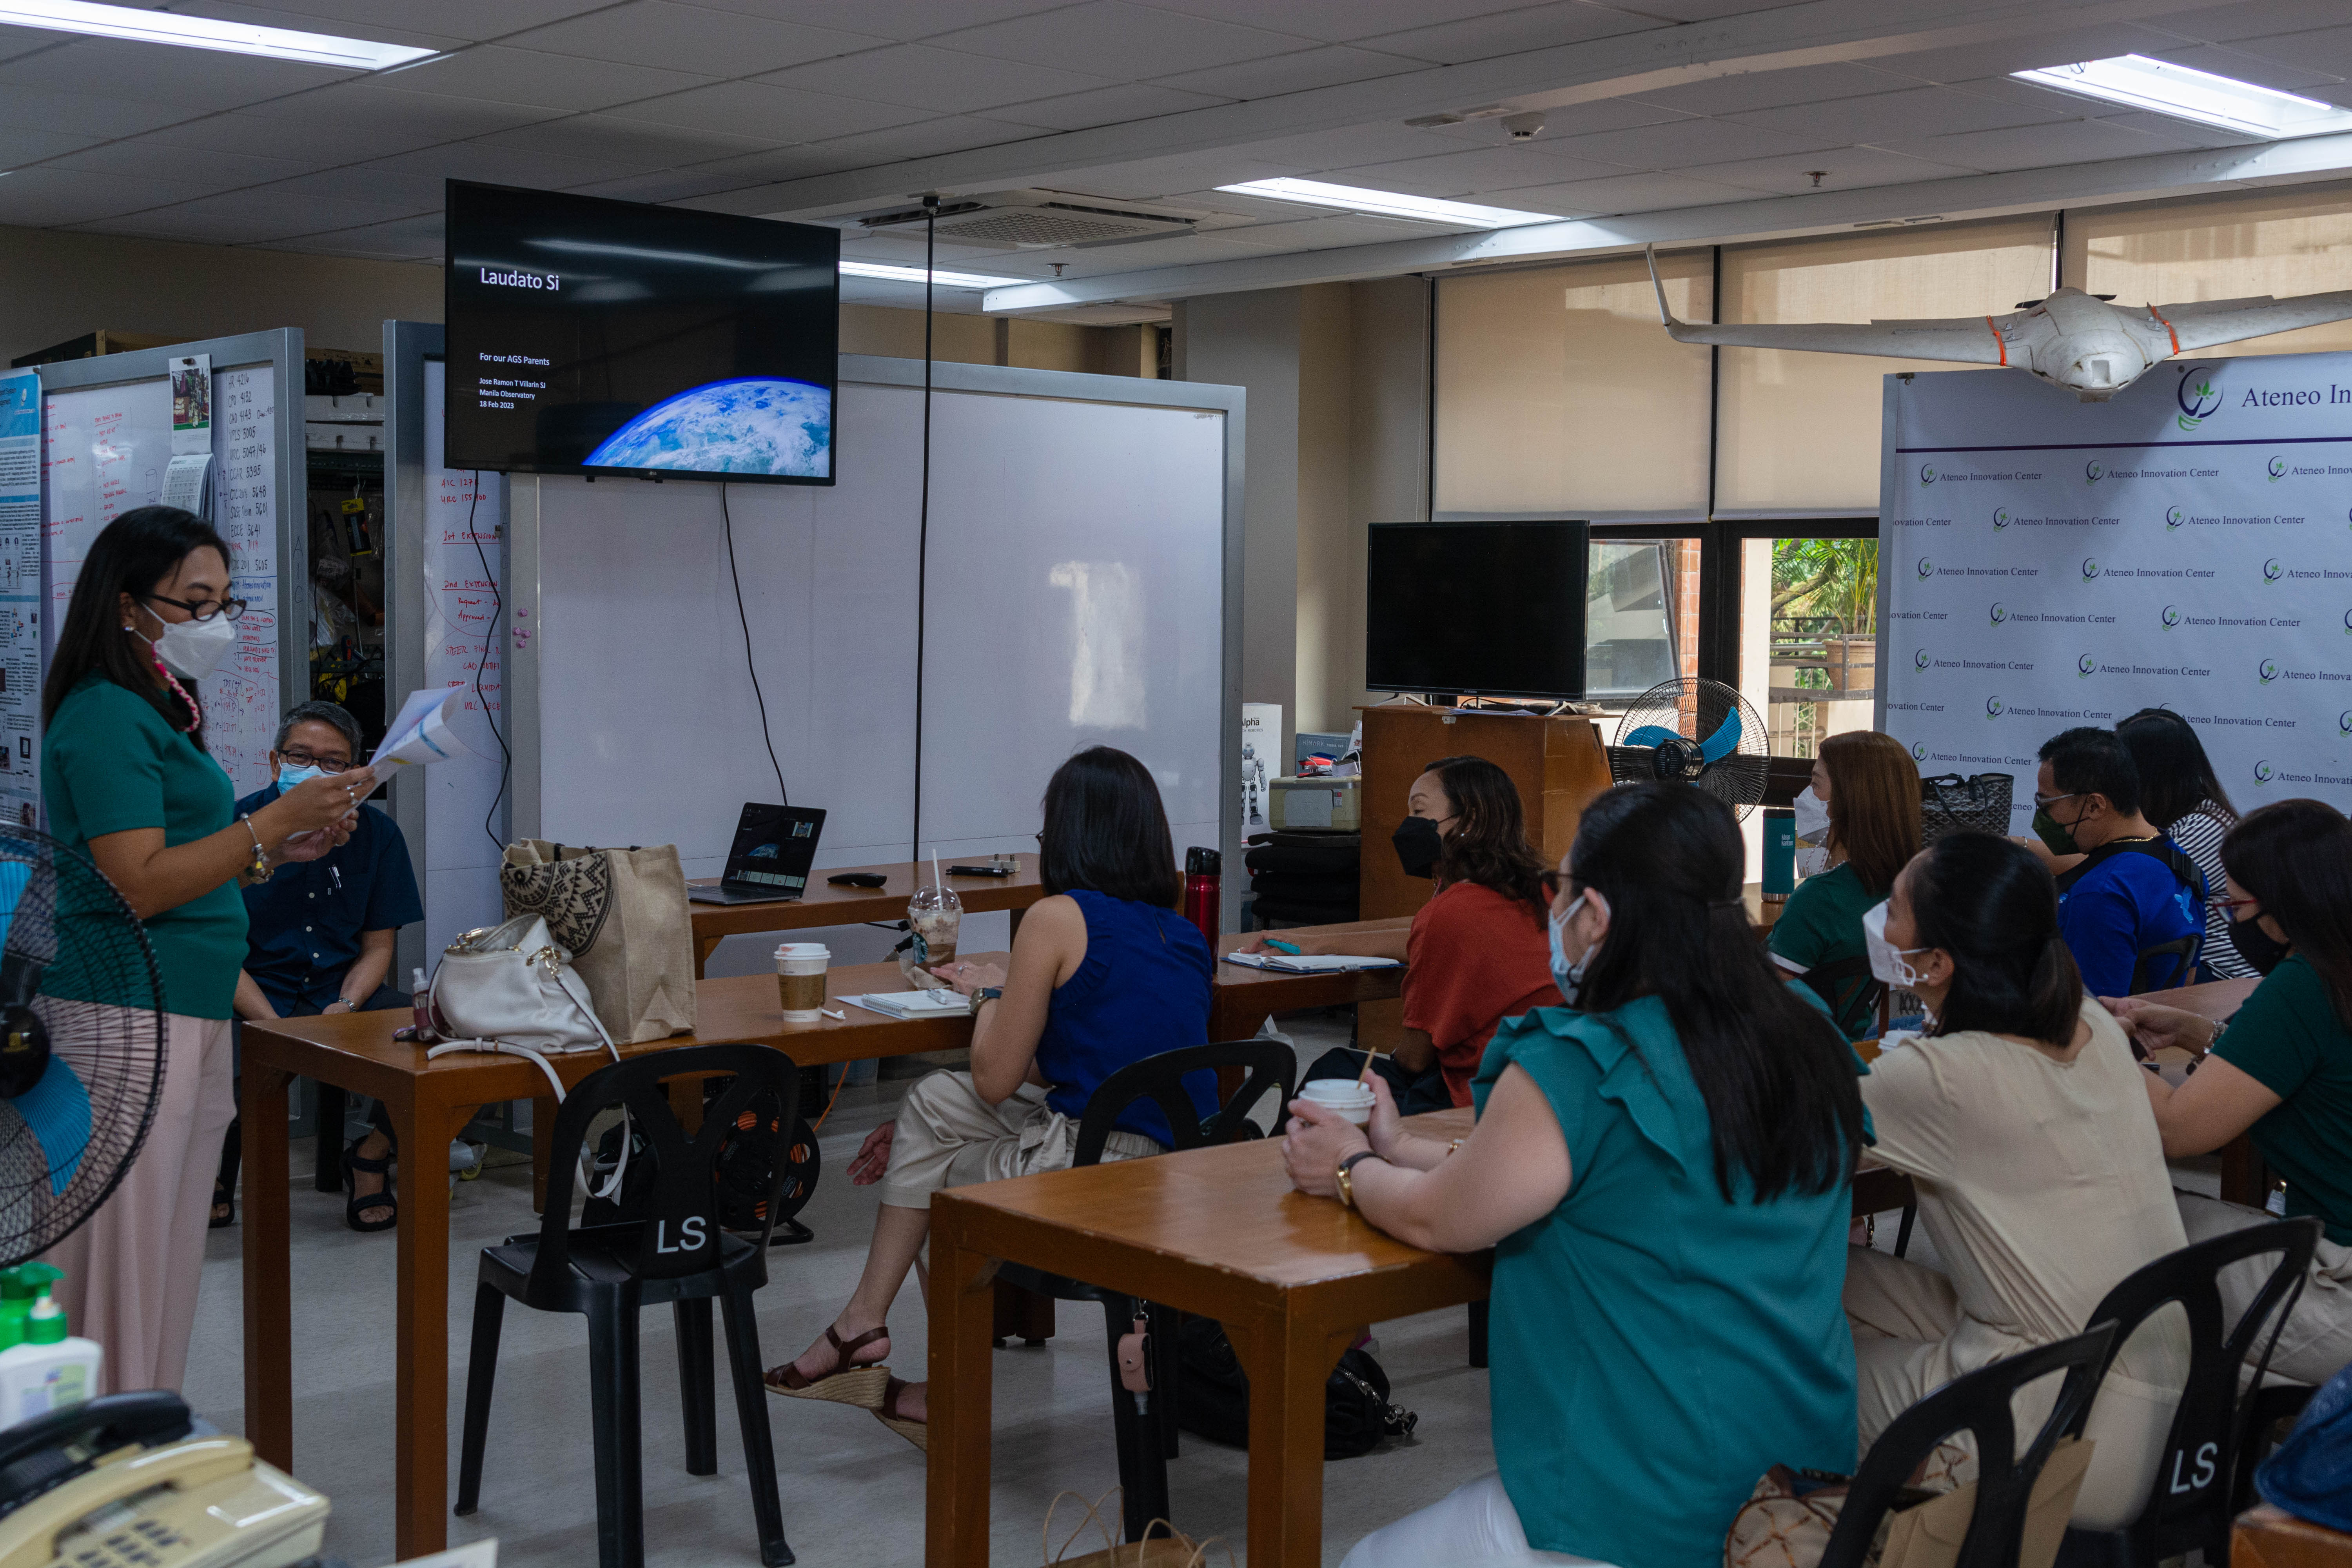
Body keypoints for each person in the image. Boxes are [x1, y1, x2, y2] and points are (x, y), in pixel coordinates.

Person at [1286, 783, 1866, 1568]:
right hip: (1801, 1493)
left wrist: (1350, 1166)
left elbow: (1438, 1220)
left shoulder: (1582, 1054)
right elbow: (1618, 1178)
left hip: (1644, 1499)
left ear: (1594, 911)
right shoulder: (1806, 1032)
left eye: (1557, 889)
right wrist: (1400, 1145)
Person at [765, 746, 1216, 1448]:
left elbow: (995, 1079)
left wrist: (990, 994)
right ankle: (863, 1323)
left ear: (1068, 835)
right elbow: (1073, 1063)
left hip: (1099, 1174)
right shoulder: (1184, 934)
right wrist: (1009, 1003)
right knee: (930, 1106)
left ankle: (946, 1387)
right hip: (1176, 1168)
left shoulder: (1056, 918)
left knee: (938, 1185)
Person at [39, 505, 371, 1394]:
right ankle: (92, 1443)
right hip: (121, 1018)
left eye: (226, 600)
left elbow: (183, 867)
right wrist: (269, 822)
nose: (214, 622)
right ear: (125, 604)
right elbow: (137, 882)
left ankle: (141, 1419)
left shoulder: (158, 706)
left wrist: (273, 849)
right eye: (193, 601)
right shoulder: (105, 713)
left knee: (167, 1252)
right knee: (118, 1260)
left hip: (181, 1008)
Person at [1842, 831, 2188, 1528]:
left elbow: (1769, 1154)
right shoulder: (2085, 1017)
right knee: (1839, 1278)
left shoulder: (1937, 1078)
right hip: (2151, 1380)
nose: (1884, 916)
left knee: (1782, 1371)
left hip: (2068, 1433)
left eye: (1898, 908)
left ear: (1937, 961)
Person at [2111, 799, 2352, 1387]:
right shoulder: (2337, 971)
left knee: (2113, 1229)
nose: (2230, 920)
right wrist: (2202, 1034)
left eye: (2235, 906)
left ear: (2283, 906)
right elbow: (2311, 1067)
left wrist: (2098, 1044)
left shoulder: (2302, 985)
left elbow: (2179, 1129)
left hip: (2338, 1287)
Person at [1240, 755, 1559, 1111]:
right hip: (1548, 1088)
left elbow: (1412, 1059)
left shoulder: (1454, 912)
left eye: (1420, 813)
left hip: (1476, 1099)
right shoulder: (1541, 895)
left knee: (1333, 1072)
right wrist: (1319, 943)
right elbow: (1419, 938)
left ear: (1468, 821)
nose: (1409, 826)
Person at [214, 700, 422, 1233]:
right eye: (301, 756)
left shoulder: (377, 836)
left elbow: (378, 947)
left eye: (334, 763)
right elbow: (214, 944)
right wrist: (270, 1023)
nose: (317, 771)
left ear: (358, 773)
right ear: (276, 762)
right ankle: (216, 1177)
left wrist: (348, 1006)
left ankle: (370, 1157)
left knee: (441, 1044)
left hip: (337, 989)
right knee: (219, 1058)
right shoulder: (235, 826)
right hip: (246, 990)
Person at [1769, 731, 1923, 1038]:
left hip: (1814, 1062)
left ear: (1845, 802)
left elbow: (1765, 1006)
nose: (1808, 796)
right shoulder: (1923, 889)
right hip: (1879, 1052)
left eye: (1815, 784)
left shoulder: (1818, 900)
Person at [2031, 726, 2202, 998]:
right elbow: (2189, 980)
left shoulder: (2099, 894)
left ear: (2095, 806)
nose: (2042, 816)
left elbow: (2089, 1015)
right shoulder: (2183, 865)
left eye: (2047, 804)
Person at [2116, 707, 2254, 981]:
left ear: (2147, 772)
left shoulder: (2204, 827)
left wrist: (2022, 846)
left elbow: (2129, 879)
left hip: (2219, 974)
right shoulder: (2173, 817)